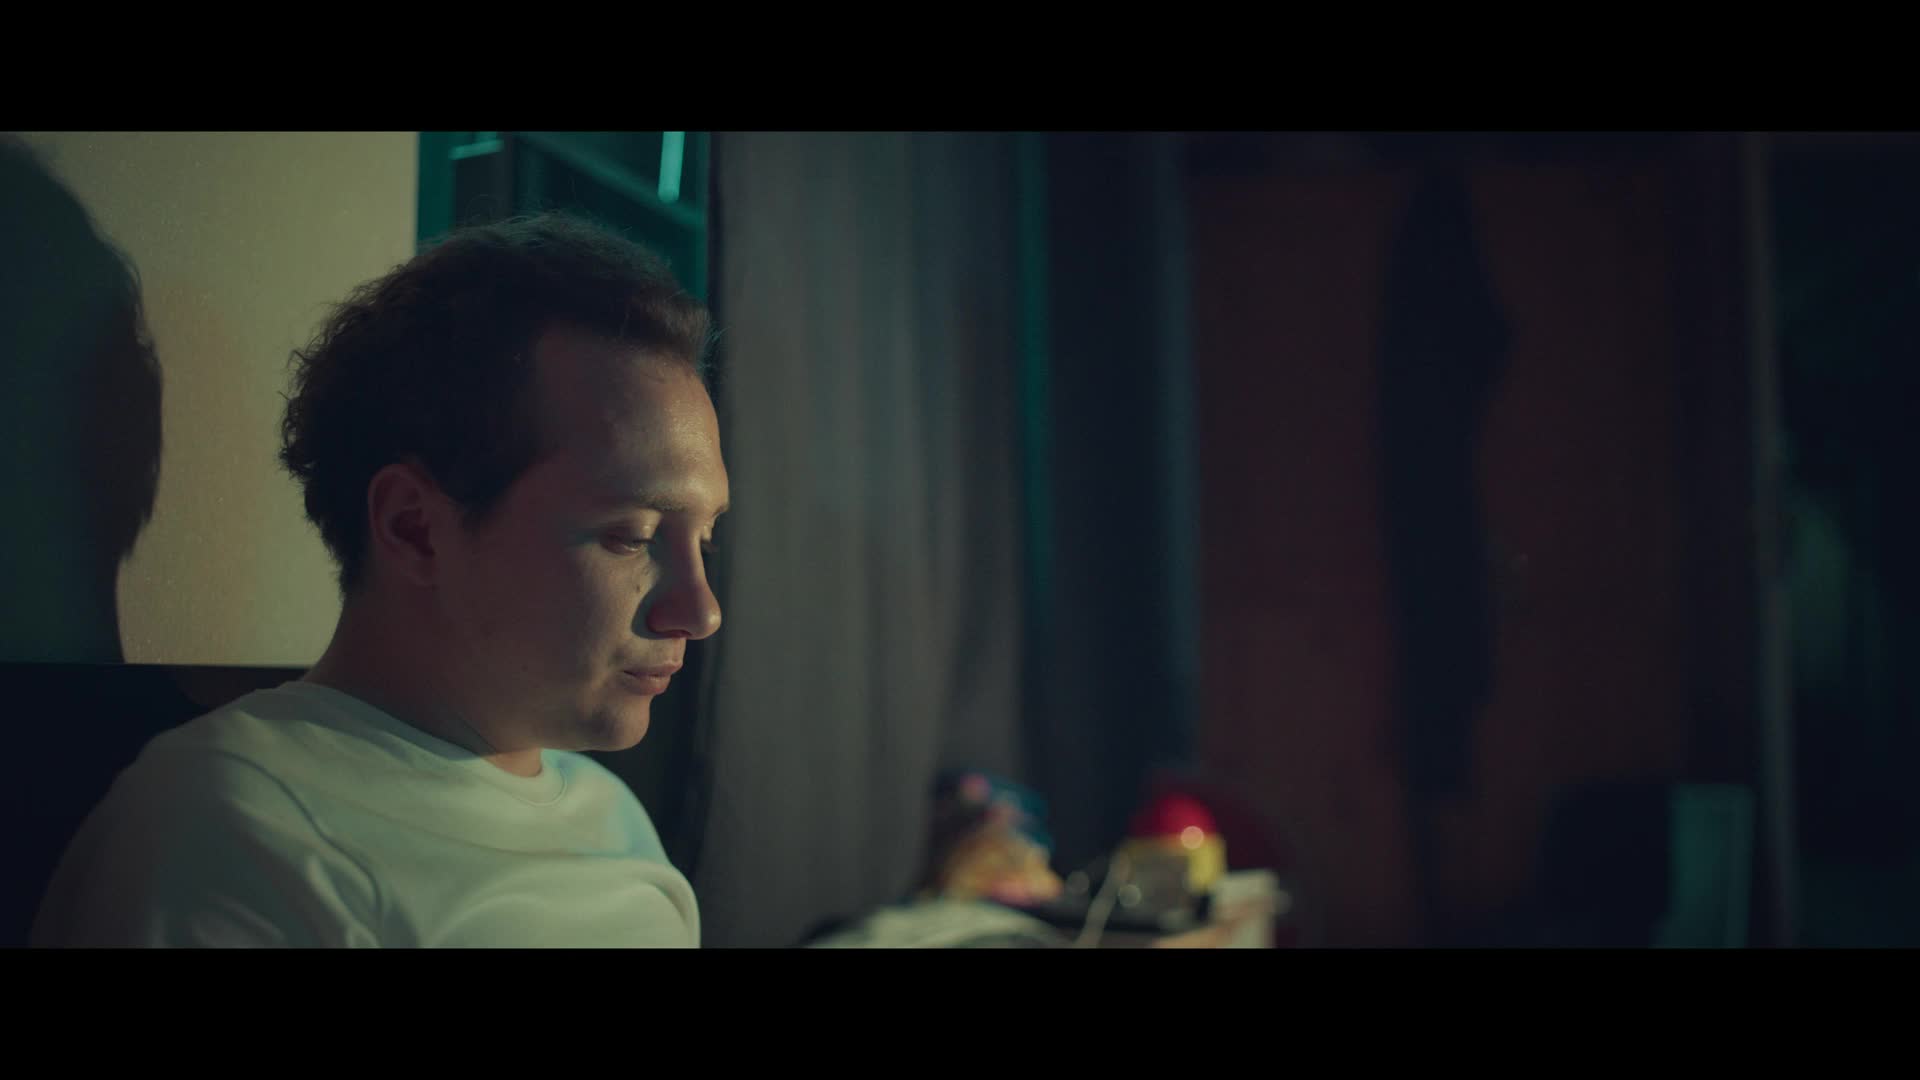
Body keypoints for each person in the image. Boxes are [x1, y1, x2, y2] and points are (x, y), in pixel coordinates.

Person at [32, 212, 728, 947]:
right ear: (414, 528)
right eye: (632, 537)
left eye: (706, 539)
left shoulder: (612, 817)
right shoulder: (235, 832)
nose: (701, 611)